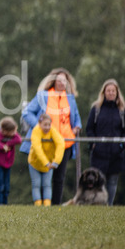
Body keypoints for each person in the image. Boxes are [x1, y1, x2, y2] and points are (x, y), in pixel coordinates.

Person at [21, 68, 82, 204]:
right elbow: (27, 113)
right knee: (43, 177)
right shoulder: (43, 96)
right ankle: (42, 205)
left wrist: (77, 126)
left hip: (65, 142)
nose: (61, 82)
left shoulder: (70, 98)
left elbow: (76, 117)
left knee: (60, 177)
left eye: (64, 80)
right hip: (45, 143)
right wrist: (38, 126)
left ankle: (55, 205)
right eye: (59, 79)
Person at [85, 79, 125, 205]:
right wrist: (93, 144)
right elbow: (89, 128)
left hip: (116, 153)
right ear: (104, 92)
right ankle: (98, 206)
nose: (111, 93)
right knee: (98, 181)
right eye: (108, 91)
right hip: (99, 153)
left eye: (113, 91)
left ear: (117, 93)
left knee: (112, 182)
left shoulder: (121, 110)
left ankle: (109, 206)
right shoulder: (96, 109)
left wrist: (121, 146)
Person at [28, 112, 65, 206]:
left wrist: (56, 161)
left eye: (49, 124)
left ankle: (47, 205)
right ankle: (38, 204)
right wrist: (46, 162)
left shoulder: (52, 130)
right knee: (36, 184)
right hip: (35, 163)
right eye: (45, 125)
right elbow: (37, 148)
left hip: (49, 164)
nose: (47, 127)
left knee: (47, 184)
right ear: (39, 124)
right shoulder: (36, 131)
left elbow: (61, 144)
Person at [0, 117, 23, 205]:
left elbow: (19, 140)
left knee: (7, 186)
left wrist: (8, 144)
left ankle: (5, 203)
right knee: (0, 184)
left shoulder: (13, 136)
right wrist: (2, 146)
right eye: (13, 131)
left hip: (8, 163)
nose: (15, 133)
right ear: (5, 131)